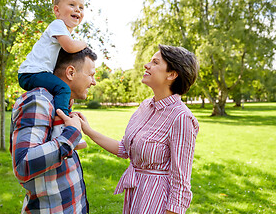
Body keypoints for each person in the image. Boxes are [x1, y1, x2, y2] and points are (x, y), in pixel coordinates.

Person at [58, 44, 199, 214]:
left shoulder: (181, 117)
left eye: (155, 62)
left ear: (172, 74)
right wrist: (87, 130)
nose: (147, 65)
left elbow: (181, 183)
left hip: (158, 203)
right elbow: (125, 149)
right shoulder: (146, 106)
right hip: (134, 196)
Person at [10, 47, 97, 214]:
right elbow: (23, 164)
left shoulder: (62, 103)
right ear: (70, 73)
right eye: (91, 75)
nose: (93, 82)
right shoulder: (39, 100)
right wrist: (71, 135)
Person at [18, 0, 87, 146]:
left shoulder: (63, 31)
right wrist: (83, 43)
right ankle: (63, 132)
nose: (77, 9)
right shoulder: (57, 25)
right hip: (31, 73)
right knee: (63, 89)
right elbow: (70, 47)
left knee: (62, 93)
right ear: (57, 10)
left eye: (81, 7)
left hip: (37, 73)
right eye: (72, 4)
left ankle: (60, 128)